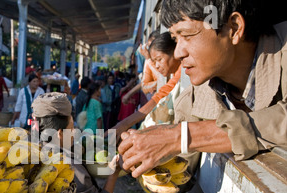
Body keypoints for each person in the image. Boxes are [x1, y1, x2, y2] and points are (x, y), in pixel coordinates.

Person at [118, 0, 287, 180]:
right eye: (176, 39)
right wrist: (150, 162)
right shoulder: (195, 97)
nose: (178, 53)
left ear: (235, 28)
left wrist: (181, 137)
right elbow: (182, 164)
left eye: (188, 35)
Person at [110, 32, 183, 139]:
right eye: (154, 61)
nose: (157, 65)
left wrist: (126, 124)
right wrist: (124, 124)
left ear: (174, 52)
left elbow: (155, 93)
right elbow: (155, 93)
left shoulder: (182, 71)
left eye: (159, 59)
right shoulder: (173, 74)